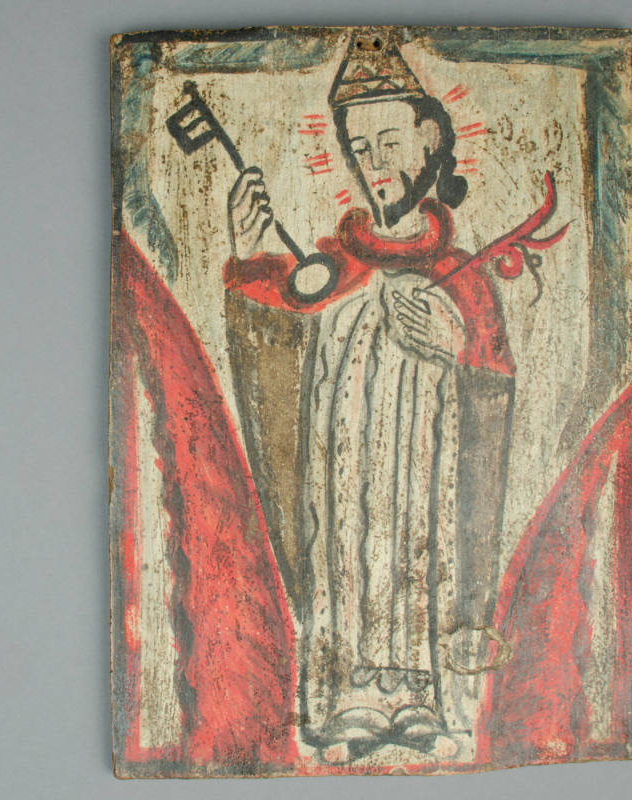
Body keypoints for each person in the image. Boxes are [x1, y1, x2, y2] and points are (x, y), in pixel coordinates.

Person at [223, 32, 521, 764]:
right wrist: (248, 256)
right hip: (345, 479)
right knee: (350, 551)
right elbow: (277, 349)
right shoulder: (333, 268)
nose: (376, 165)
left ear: (430, 141)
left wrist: (456, 349)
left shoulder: (464, 275)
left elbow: (493, 392)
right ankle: (346, 698)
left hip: (428, 478)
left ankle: (423, 698)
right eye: (360, 149)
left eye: (390, 143)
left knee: (423, 552)